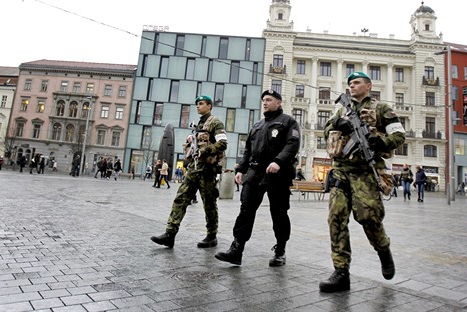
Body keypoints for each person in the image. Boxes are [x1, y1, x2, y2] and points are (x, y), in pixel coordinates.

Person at [318, 71, 405, 292]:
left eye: (356, 83)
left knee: (369, 218)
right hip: (340, 171)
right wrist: (338, 123)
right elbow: (327, 129)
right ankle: (341, 272)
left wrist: (378, 140)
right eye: (349, 84)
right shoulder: (341, 108)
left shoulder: (382, 109)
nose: (352, 86)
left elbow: (399, 136)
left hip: (366, 172)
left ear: (369, 86)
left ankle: (383, 251)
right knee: (336, 219)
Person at [215, 89, 300, 267]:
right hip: (255, 174)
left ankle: (280, 251)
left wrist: (278, 161)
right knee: (246, 210)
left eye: (269, 100)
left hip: (277, 174)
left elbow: (292, 144)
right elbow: (248, 150)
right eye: (263, 100)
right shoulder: (258, 125)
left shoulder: (288, 122)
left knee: (278, 213)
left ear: (278, 103)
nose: (265, 102)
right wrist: (241, 169)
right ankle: (236, 249)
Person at [151, 95, 228, 249]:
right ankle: (170, 234)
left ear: (209, 106)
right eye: (197, 104)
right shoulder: (198, 125)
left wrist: (205, 150)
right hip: (194, 169)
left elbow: (222, 143)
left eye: (201, 104)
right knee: (180, 198)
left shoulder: (215, 123)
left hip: (207, 170)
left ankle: (211, 236)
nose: (198, 106)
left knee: (209, 204)